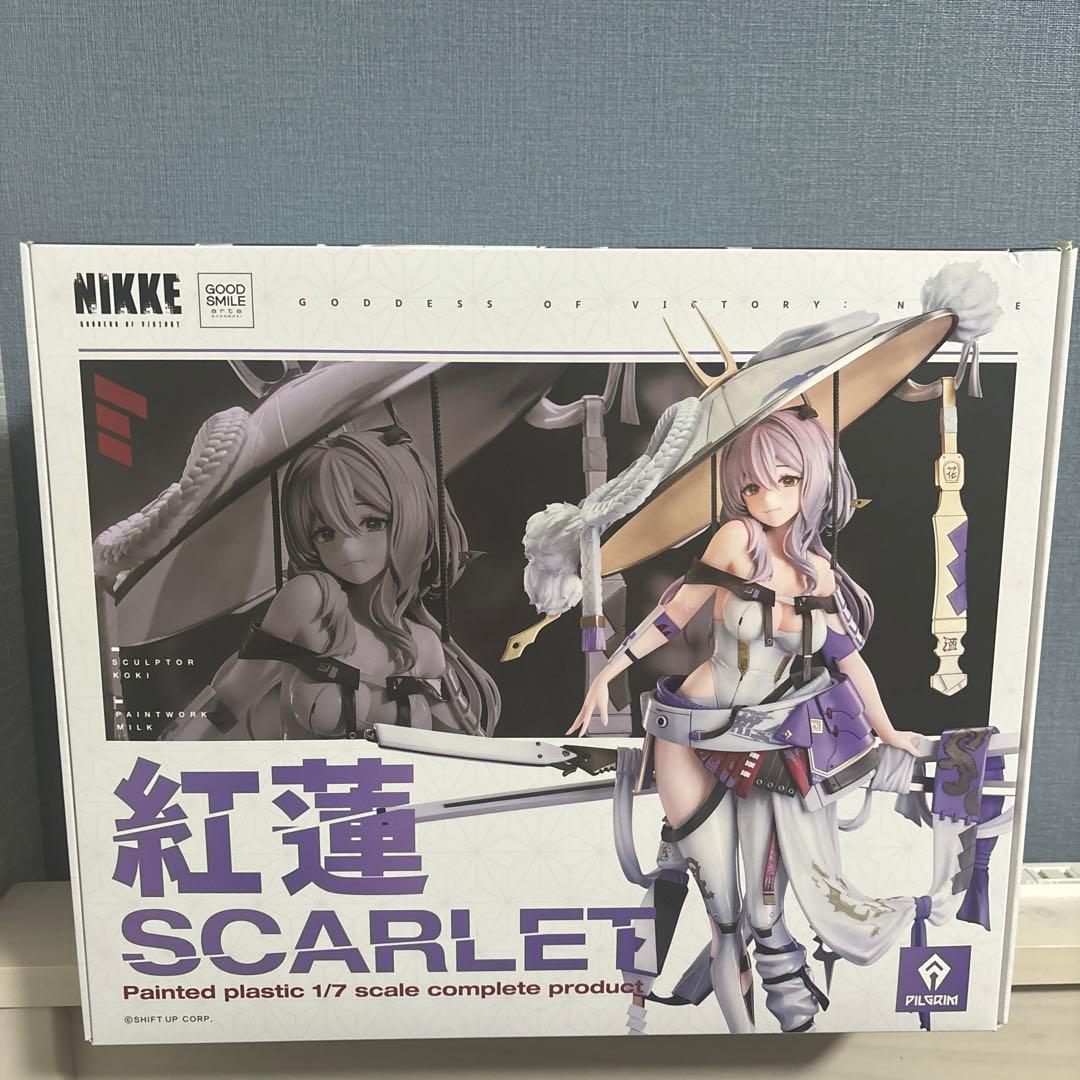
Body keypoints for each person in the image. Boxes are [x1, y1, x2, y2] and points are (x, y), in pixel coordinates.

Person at [568, 408, 920, 1033]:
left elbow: (849, 662)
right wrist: (609, 671)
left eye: (787, 479)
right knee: (723, 911)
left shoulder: (818, 572)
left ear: (813, 478)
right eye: (753, 485)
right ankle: (738, 1033)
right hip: (690, 732)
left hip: (765, 739)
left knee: (763, 907)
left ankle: (781, 1016)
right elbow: (675, 613)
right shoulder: (735, 539)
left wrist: (889, 731)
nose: (769, 499)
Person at [162, 427, 498, 740]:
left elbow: (469, 747)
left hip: (400, 784)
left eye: (372, 522)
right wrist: (153, 762)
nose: (348, 549)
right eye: (325, 533)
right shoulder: (310, 601)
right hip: (310, 783)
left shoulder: (424, 645)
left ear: (407, 518)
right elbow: (227, 703)